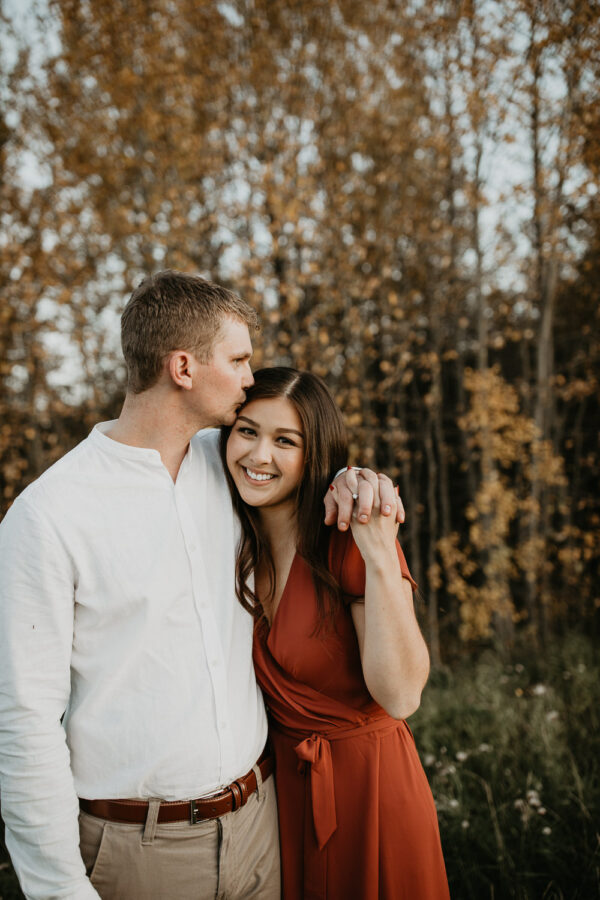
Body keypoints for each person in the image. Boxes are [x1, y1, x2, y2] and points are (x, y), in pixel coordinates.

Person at [0, 271, 402, 900]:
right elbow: (23, 720)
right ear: (183, 367)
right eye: (239, 359)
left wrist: (359, 481)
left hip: (262, 830)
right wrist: (58, 889)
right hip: (140, 853)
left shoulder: (231, 464)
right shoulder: (48, 515)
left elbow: (300, 461)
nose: (250, 377)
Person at [220, 366, 450, 900]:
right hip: (282, 802)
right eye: (247, 431)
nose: (258, 456)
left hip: (370, 792)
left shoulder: (346, 533)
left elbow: (402, 695)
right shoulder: (232, 537)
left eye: (285, 441)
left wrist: (376, 548)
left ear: (315, 453)